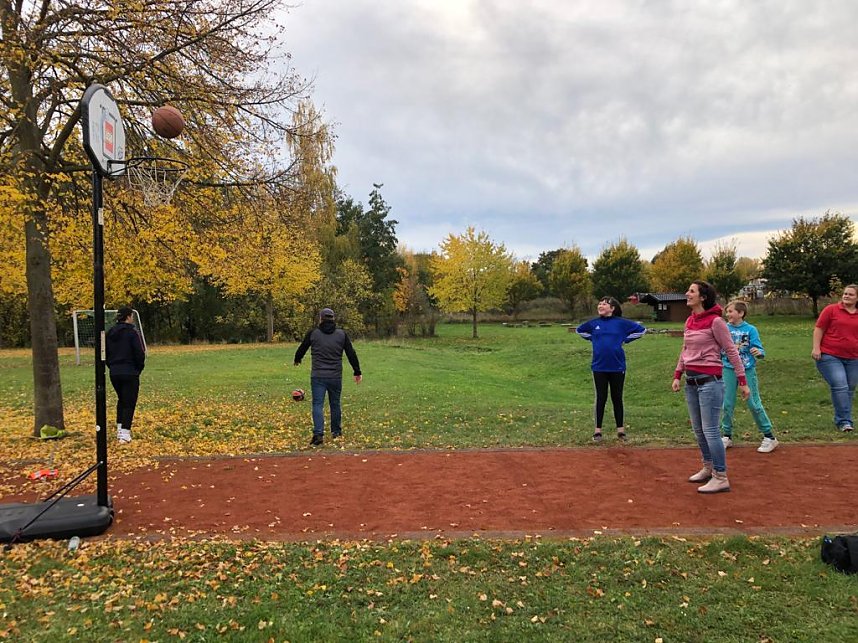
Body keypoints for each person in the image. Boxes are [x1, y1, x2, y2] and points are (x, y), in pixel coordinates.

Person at [671, 281, 749, 493]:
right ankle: (708, 468)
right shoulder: (690, 321)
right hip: (691, 383)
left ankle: (721, 476)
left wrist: (742, 380)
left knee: (711, 431)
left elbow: (731, 350)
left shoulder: (716, 322)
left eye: (692, 291)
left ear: (703, 297)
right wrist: (678, 374)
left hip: (710, 383)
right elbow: (685, 349)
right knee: (699, 431)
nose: (687, 294)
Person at [576, 297, 646, 442]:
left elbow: (641, 330)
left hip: (617, 366)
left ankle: (620, 431)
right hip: (599, 366)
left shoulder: (621, 323)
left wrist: (625, 339)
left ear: (612, 308)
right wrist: (592, 337)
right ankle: (597, 432)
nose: (600, 305)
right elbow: (580, 330)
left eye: (604, 304)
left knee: (617, 397)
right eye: (599, 303)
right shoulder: (594, 323)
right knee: (601, 398)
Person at [294, 307, 362, 446]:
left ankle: (318, 434)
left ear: (321, 319)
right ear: (333, 318)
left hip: (318, 376)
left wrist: (297, 358)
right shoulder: (341, 334)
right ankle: (336, 432)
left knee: (317, 404)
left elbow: (303, 347)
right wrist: (357, 371)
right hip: (335, 376)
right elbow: (351, 353)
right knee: (335, 404)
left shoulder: (313, 333)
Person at [720, 301, 778, 453]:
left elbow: (759, 348)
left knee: (753, 403)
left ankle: (769, 437)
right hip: (728, 369)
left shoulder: (751, 330)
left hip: (747, 369)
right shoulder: (724, 328)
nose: (727, 314)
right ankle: (726, 435)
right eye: (727, 311)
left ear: (741, 313)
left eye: (731, 311)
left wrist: (759, 352)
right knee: (727, 403)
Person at [811, 284, 858, 432]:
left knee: (849, 387)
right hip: (830, 355)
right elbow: (819, 328)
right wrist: (816, 348)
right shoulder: (831, 310)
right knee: (840, 384)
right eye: (845, 294)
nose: (846, 296)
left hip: (854, 358)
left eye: (850, 294)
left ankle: (843, 418)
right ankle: (844, 422)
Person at [105, 306, 146, 444]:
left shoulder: (110, 333)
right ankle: (125, 433)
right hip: (130, 371)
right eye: (131, 316)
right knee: (129, 402)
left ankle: (120, 429)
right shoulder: (132, 333)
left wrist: (112, 366)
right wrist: (138, 368)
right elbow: (139, 353)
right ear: (128, 317)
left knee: (122, 400)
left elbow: (106, 353)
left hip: (115, 372)